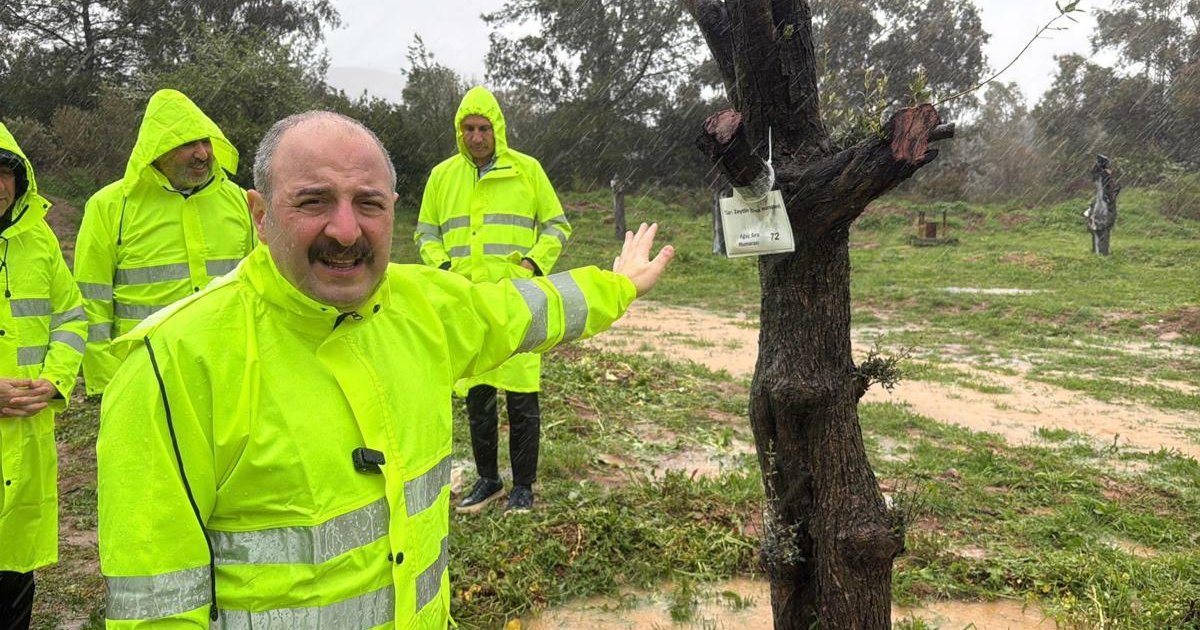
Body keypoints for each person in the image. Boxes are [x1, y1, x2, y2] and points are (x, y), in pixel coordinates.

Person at [96, 111, 673, 628]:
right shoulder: (171, 365)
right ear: (260, 214)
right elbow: (157, 606)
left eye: (368, 203)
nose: (346, 231)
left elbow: (524, 310)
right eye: (314, 200)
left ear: (392, 211)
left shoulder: (425, 306)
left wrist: (618, 284)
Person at [415, 86, 572, 513]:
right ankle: (488, 479)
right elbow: (425, 233)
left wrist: (532, 266)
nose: (477, 136)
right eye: (469, 128)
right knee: (478, 394)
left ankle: (524, 486)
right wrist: (445, 270)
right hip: (468, 303)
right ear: (459, 131)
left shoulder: (527, 171)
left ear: (497, 129)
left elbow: (557, 226)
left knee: (523, 395)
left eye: (484, 127)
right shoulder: (442, 177)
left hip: (517, 299)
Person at [74, 89, 256, 396]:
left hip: (227, 370)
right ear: (157, 149)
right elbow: (92, 300)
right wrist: (106, 382)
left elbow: (260, 284)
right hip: (143, 373)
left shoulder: (240, 201)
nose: (203, 154)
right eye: (187, 143)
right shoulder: (109, 206)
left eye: (205, 141)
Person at [0, 123, 86, 630]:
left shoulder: (39, 239)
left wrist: (55, 380)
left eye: (5, 171)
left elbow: (70, 317)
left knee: (14, 576)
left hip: (26, 440)